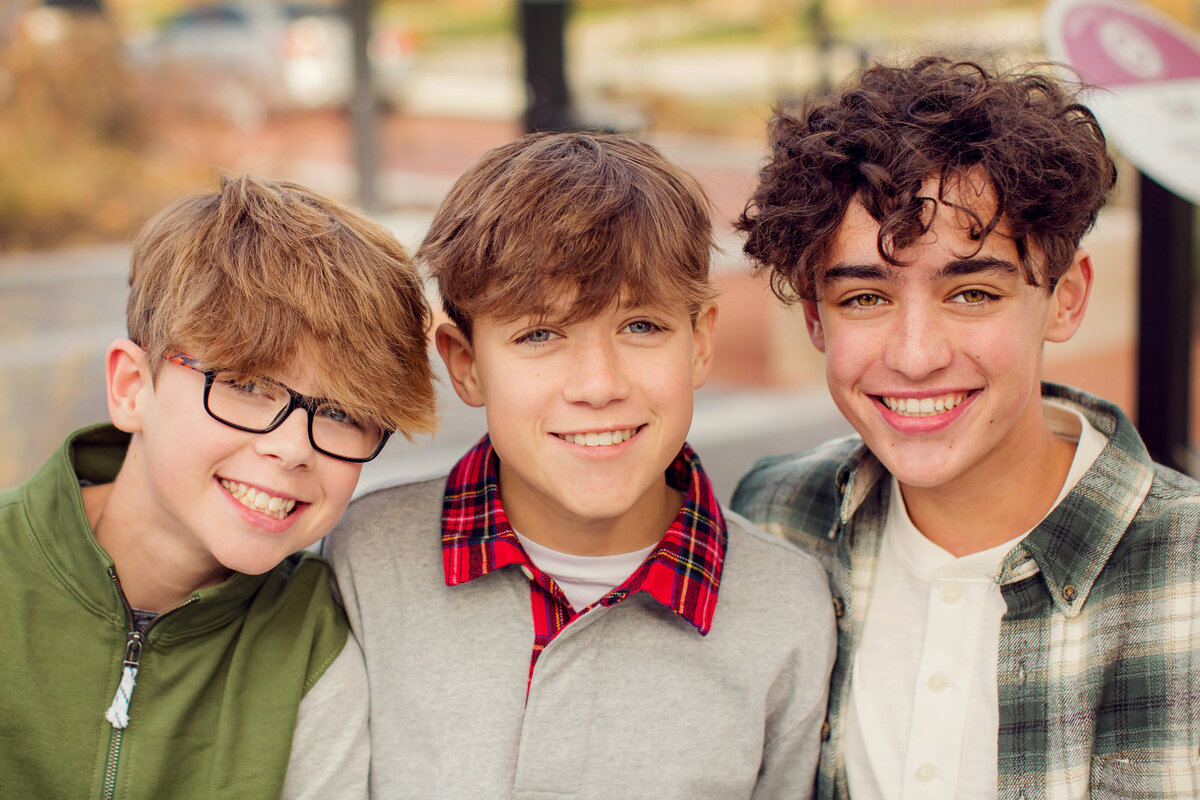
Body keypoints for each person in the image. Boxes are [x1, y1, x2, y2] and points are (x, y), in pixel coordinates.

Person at [731, 56, 1200, 799]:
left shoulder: (1187, 572)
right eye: (864, 299)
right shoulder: (777, 519)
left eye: (973, 292)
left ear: (1066, 298)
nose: (917, 356)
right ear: (815, 317)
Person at [326, 131, 836, 798]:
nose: (598, 385)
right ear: (465, 364)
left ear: (700, 341)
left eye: (642, 327)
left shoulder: (787, 608)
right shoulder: (369, 560)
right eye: (540, 335)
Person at [0, 174, 437, 799]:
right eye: (247, 385)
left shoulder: (315, 646)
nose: (292, 448)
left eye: (342, 414)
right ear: (132, 387)